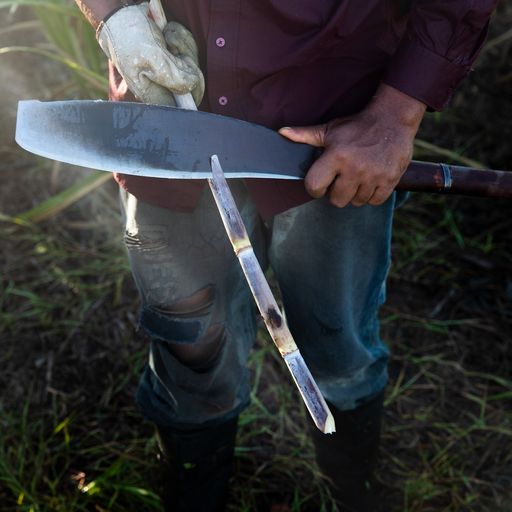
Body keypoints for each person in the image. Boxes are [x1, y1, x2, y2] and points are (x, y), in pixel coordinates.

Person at [75, 1, 497, 510]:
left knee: (337, 344)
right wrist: (114, 14)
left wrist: (394, 116)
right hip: (166, 122)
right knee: (190, 351)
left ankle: (355, 491)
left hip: (334, 133)